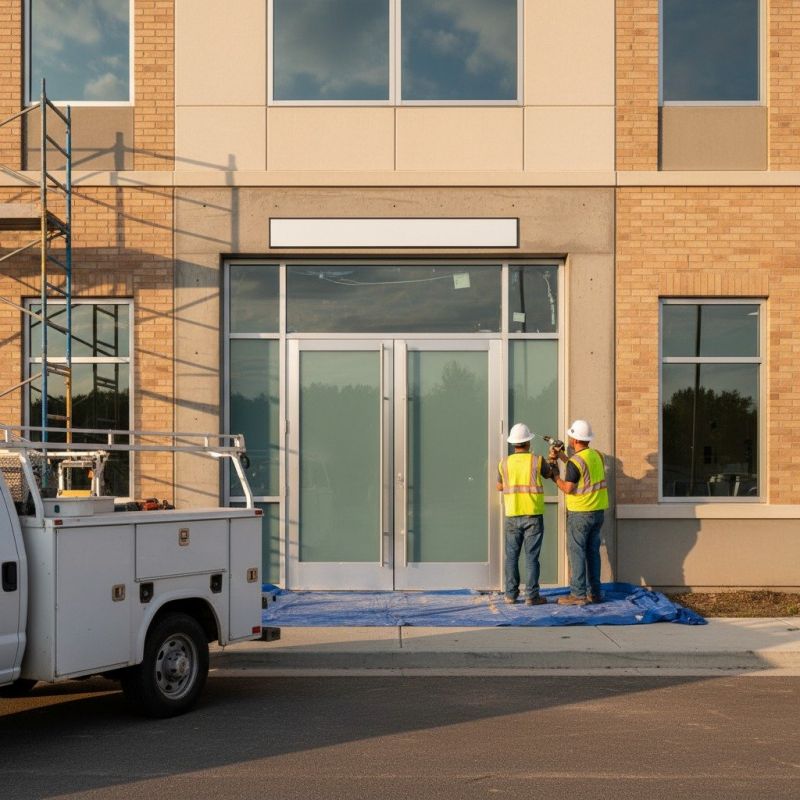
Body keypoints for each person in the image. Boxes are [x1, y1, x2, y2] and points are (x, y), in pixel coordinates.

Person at [548, 419, 608, 606]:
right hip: (597, 512)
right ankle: (595, 593)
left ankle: (578, 595)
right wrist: (563, 457)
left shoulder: (575, 462)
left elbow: (568, 488)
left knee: (577, 553)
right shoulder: (597, 455)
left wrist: (554, 475)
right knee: (592, 552)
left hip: (580, 513)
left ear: (574, 440)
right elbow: (579, 468)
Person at [497, 422, 555, 606]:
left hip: (513, 515)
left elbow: (499, 486)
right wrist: (553, 459)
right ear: (528, 442)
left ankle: (510, 595)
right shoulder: (537, 461)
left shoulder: (504, 463)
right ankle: (531, 596)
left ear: (514, 444)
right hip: (532, 515)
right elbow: (551, 474)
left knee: (512, 557)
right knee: (531, 557)